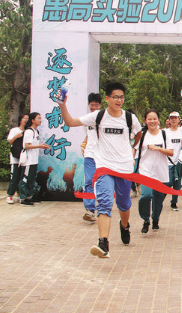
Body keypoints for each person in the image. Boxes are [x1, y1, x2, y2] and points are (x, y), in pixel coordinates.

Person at [59, 81, 142, 258]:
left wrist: (133, 147)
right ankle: (103, 243)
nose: (119, 100)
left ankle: (124, 225)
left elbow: (139, 133)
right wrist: (62, 105)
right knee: (104, 203)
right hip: (104, 166)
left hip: (125, 167)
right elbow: (70, 121)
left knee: (124, 203)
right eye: (115, 97)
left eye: (121, 97)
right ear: (107, 98)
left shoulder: (129, 118)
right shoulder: (98, 116)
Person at [135, 109, 173, 233]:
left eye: (154, 118)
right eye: (149, 119)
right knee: (145, 196)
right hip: (145, 170)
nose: (152, 121)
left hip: (160, 171)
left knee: (158, 199)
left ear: (158, 120)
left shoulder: (164, 134)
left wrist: (157, 148)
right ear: (145, 121)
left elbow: (171, 152)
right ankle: (146, 219)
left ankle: (155, 219)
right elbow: (134, 149)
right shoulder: (141, 135)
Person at [18, 113, 50, 206]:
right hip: (28, 160)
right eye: (38, 118)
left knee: (31, 179)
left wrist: (41, 146)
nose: (40, 120)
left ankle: (29, 196)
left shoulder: (36, 131)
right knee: (25, 178)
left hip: (34, 160)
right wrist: (40, 146)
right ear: (32, 120)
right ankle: (23, 198)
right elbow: (26, 146)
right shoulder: (29, 131)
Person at [80, 92, 102, 221]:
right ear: (88, 105)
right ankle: (89, 210)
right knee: (89, 182)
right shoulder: (86, 119)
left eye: (96, 105)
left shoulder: (104, 118)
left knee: (101, 182)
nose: (94, 107)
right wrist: (83, 145)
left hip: (102, 156)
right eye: (92, 105)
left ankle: (103, 207)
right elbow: (87, 135)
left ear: (100, 105)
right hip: (89, 155)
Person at [5, 113, 29, 204]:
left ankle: (19, 195)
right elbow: (10, 142)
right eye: (24, 118)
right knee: (14, 176)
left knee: (22, 176)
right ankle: (10, 195)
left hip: (24, 157)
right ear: (20, 120)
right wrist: (16, 136)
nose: (26, 120)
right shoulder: (14, 130)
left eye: (27, 118)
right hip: (15, 157)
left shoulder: (28, 131)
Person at [165, 112, 182, 211]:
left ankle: (174, 202)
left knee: (177, 184)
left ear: (178, 120)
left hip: (179, 163)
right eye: (171, 118)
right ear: (168, 120)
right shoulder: (165, 132)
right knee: (168, 182)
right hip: (168, 162)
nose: (173, 120)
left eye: (175, 118)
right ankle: (160, 197)